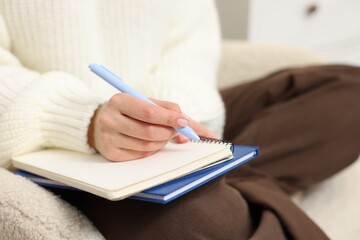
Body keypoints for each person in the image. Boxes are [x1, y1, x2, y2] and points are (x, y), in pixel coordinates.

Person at [0, 0, 359, 239]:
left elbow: (191, 44)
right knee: (193, 216)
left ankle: (220, 179)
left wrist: (173, 115)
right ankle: (222, 183)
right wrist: (83, 118)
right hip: (57, 143)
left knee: (348, 93)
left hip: (172, 127)